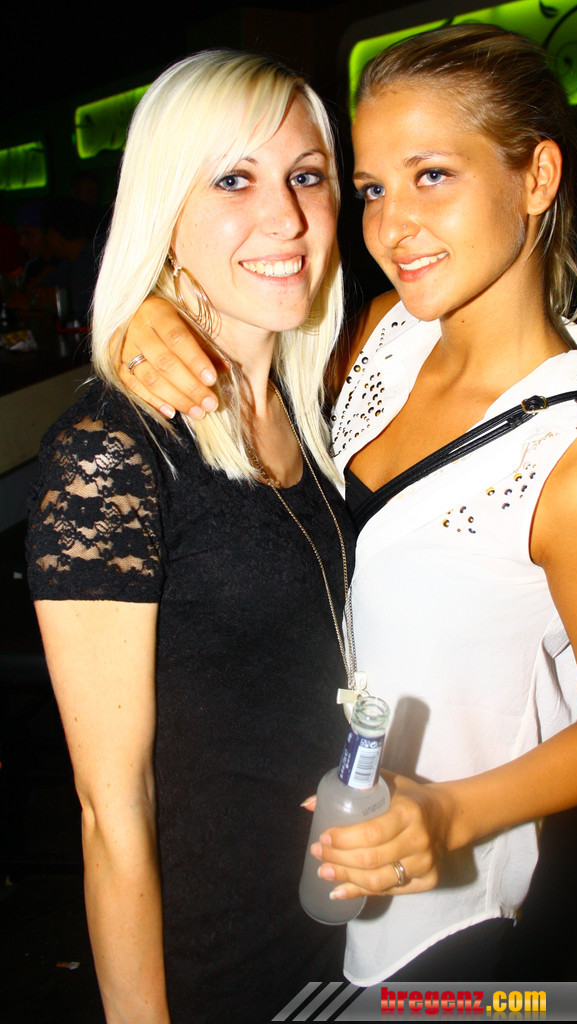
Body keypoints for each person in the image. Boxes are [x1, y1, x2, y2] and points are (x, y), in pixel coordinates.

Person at [113, 26, 577, 985]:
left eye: (433, 176)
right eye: (373, 189)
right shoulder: (379, 336)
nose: (391, 227)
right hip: (305, 864)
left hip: (443, 912)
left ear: (536, 178)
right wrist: (154, 312)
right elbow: (243, 315)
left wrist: (451, 814)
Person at [26, 50, 355, 1022]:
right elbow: (111, 813)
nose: (286, 217)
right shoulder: (111, 451)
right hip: (227, 958)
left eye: (306, 175)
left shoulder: (324, 407)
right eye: (232, 180)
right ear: (163, 209)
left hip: (348, 928)